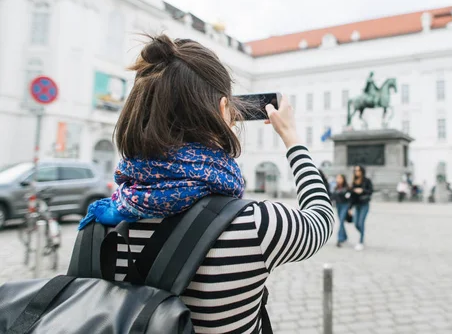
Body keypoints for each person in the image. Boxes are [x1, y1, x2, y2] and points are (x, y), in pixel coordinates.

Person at [79, 35, 334, 333]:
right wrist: (292, 139)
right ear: (224, 109)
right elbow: (321, 217)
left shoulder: (96, 225)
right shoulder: (257, 224)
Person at [350, 165, 373, 250]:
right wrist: (350, 207)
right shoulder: (354, 181)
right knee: (356, 223)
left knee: (361, 222)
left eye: (358, 170)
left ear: (362, 171)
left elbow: (370, 191)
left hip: (364, 204)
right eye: (355, 170)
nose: (357, 172)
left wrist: (362, 190)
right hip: (356, 205)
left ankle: (361, 241)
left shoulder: (367, 181)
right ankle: (362, 234)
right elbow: (352, 196)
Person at [332, 174, 352, 247]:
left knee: (341, 222)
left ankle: (339, 239)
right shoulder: (335, 188)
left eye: (340, 178)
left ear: (343, 179)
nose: (338, 179)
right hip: (338, 206)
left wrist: (350, 208)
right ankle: (345, 236)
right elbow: (332, 197)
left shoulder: (347, 188)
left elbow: (350, 199)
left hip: (345, 205)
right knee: (341, 222)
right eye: (337, 178)